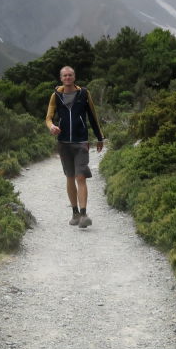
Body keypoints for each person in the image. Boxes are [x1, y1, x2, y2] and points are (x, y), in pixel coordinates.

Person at [45, 65, 104, 228]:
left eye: (70, 75)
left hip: (81, 142)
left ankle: (84, 215)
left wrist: (100, 137)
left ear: (74, 77)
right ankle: (75, 213)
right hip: (63, 143)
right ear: (61, 78)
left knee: (80, 176)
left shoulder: (84, 94)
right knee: (70, 177)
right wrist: (51, 126)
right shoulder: (55, 96)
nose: (67, 77)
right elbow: (48, 118)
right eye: (65, 75)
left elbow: (93, 116)